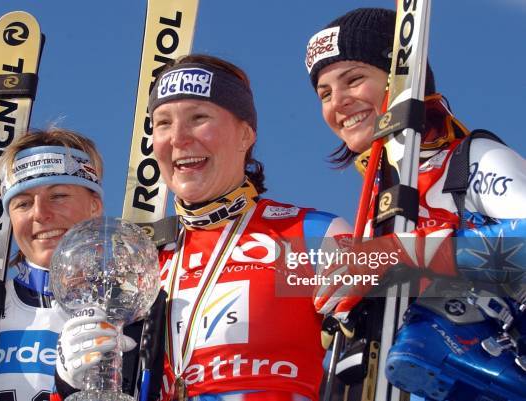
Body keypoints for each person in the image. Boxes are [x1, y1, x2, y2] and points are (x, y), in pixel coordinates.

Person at [54, 54, 352, 401]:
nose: (178, 138)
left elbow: (425, 280)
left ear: (245, 134)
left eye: (198, 118)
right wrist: (69, 383)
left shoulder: (302, 236)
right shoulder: (143, 260)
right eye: (163, 123)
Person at [303, 7, 526, 399]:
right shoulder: (375, 213)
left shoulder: (471, 161)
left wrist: (401, 255)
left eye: (353, 79)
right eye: (324, 93)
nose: (338, 102)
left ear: (403, 80)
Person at [0, 128, 107, 401]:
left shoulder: (132, 306)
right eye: (23, 203)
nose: (41, 214)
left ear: (95, 205)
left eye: (58, 196)